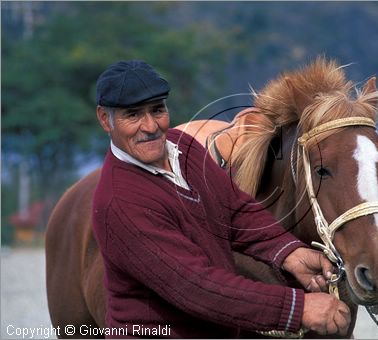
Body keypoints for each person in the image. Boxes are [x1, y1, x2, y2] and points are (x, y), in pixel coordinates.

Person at [92, 60, 351, 338]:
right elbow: (195, 286)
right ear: (106, 120)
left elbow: (235, 210)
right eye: (133, 115)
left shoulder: (182, 145)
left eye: (157, 110)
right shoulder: (120, 202)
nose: (151, 126)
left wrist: (289, 252)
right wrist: (298, 308)